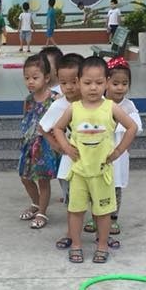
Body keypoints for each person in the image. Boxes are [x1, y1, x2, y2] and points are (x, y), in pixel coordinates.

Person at [51, 56, 137, 264]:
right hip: (79, 172)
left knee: (103, 213)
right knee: (75, 210)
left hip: (102, 173)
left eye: (98, 82)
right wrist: (66, 148)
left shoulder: (111, 107)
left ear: (106, 82)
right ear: (79, 82)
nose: (93, 88)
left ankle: (102, 245)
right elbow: (58, 128)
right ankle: (76, 244)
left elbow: (132, 127)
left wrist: (118, 151)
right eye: (87, 82)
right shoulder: (74, 108)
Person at [38, 52, 83, 244]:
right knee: (72, 199)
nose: (69, 87)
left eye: (74, 82)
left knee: (96, 198)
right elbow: (43, 127)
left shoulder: (95, 102)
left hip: (94, 161)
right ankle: (71, 233)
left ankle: (101, 234)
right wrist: (57, 145)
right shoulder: (59, 105)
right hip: (70, 162)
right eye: (64, 83)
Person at [100, 56, 142, 245]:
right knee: (98, 185)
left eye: (124, 84)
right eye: (115, 83)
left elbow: (135, 127)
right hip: (100, 151)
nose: (120, 88)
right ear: (106, 82)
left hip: (119, 152)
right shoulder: (98, 102)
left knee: (115, 185)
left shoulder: (129, 106)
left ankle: (113, 218)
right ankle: (97, 216)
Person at [17, 52, 59, 230]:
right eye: (27, 78)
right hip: (29, 144)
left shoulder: (55, 99)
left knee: (43, 180)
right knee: (24, 177)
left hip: (45, 146)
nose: (30, 82)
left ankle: (42, 212)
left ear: (46, 77)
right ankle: (35, 203)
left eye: (35, 77)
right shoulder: (28, 100)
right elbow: (26, 119)